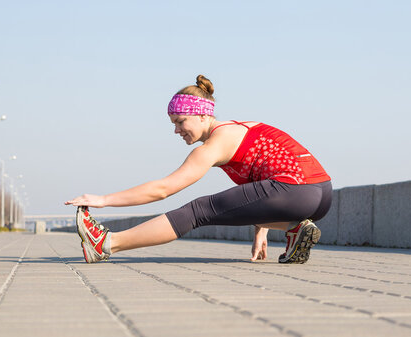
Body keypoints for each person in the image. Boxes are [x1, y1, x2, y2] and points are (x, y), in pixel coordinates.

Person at [65, 75, 332, 264]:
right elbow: (262, 183)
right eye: (173, 123)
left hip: (294, 190)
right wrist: (262, 228)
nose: (176, 130)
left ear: (203, 115)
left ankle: (106, 244)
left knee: (198, 211)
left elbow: (162, 190)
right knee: (237, 206)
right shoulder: (242, 126)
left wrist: (103, 200)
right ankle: (295, 229)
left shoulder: (213, 146)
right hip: (321, 194)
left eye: (181, 121)